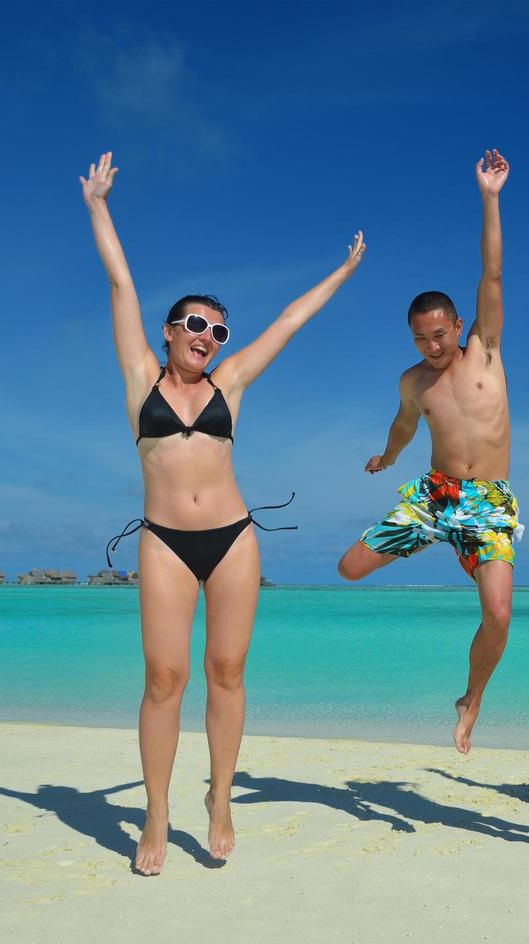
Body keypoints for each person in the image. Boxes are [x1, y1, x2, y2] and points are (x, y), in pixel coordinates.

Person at [81, 151, 365, 874]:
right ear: (170, 330)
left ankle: (221, 799)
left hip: (234, 540)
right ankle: (155, 815)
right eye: (196, 325)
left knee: (228, 671)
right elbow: (120, 282)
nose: (208, 337)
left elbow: (292, 320)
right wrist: (98, 205)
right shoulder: (138, 376)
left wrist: (343, 271)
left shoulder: (229, 385)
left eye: (218, 331)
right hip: (164, 542)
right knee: (163, 679)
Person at [336, 149, 515, 755]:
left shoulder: (484, 350)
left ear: (457, 325)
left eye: (440, 333)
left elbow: (491, 274)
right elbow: (405, 425)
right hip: (437, 496)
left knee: (498, 617)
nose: (433, 345)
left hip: (488, 502)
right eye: (421, 337)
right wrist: (387, 458)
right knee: (349, 568)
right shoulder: (413, 380)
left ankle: (472, 699)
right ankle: (431, 538)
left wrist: (489, 197)